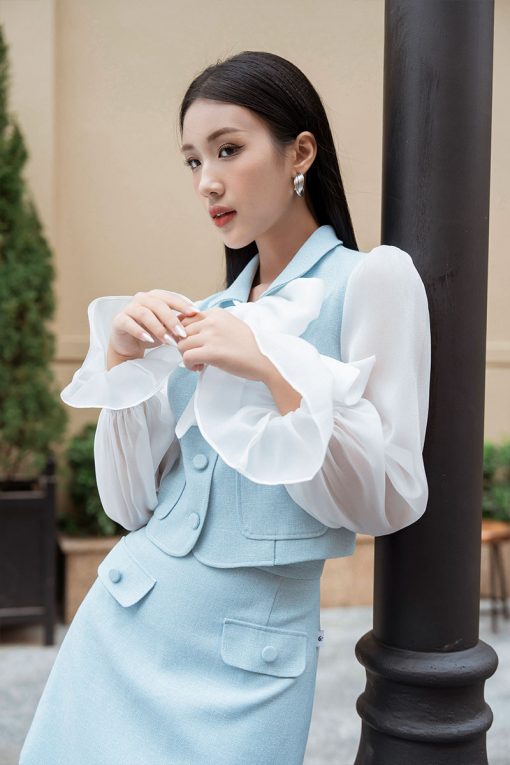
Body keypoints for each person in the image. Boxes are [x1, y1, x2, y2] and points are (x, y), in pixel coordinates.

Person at [19, 50, 431, 765]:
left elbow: (389, 496)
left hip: (249, 667)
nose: (207, 180)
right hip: (125, 624)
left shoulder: (372, 280)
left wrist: (271, 367)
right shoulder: (205, 313)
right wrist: (122, 363)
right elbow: (130, 505)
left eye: (228, 149)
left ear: (300, 152)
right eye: (192, 160)